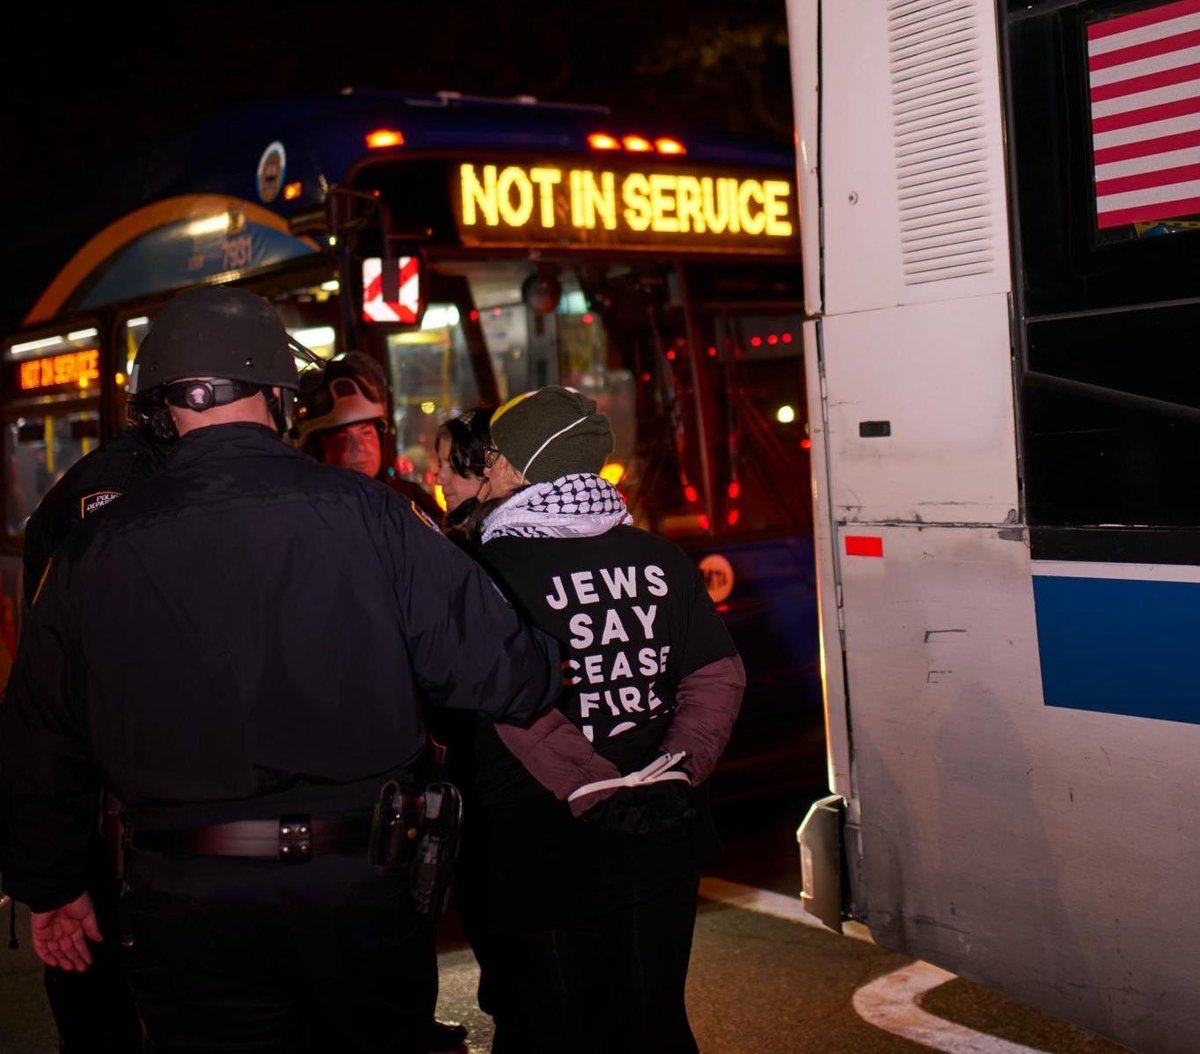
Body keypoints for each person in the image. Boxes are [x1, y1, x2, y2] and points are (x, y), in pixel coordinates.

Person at [0, 286, 562, 1054]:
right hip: (361, 887)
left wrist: (53, 886)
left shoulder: (93, 549)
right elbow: (510, 678)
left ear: (162, 405)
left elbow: (40, 738)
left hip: (183, 903)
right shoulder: (371, 513)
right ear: (279, 393)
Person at [453, 385, 746, 1054]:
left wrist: (591, 785)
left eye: (496, 455)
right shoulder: (659, 557)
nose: (488, 469)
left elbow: (509, 702)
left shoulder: (488, 570)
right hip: (663, 834)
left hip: (543, 843)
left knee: (553, 1029)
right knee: (653, 1023)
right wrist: (675, 770)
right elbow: (716, 675)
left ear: (529, 462)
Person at [295, 355, 472, 1054]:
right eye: (343, 437)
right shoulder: (297, 515)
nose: (361, 446)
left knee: (409, 898)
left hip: (410, 746)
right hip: (331, 751)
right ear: (312, 443)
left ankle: (410, 1024)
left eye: (370, 431)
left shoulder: (410, 506)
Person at [8, 390, 175, 1054]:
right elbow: (56, 705)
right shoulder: (117, 494)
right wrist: (53, 876)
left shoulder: (137, 479)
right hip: (120, 829)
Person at [295, 351, 442, 522]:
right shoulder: (309, 518)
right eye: (342, 438)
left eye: (366, 433)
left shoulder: (411, 501)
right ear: (314, 450)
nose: (359, 447)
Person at [433, 409, 493, 542]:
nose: (439, 479)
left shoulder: (499, 541)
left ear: (488, 470)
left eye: (453, 467)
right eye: (440, 465)